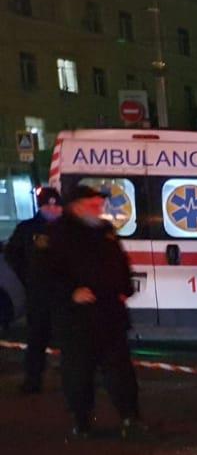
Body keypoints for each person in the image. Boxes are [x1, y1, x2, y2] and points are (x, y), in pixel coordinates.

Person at [47, 184, 145, 440]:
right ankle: (81, 421)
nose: (99, 207)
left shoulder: (105, 231)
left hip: (110, 313)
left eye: (99, 204)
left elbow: (121, 263)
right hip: (78, 318)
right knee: (79, 372)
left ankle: (129, 417)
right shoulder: (59, 233)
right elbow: (45, 275)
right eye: (93, 203)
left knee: (121, 371)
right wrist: (71, 292)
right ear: (77, 206)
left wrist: (125, 288)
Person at [4, 186, 62, 392]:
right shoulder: (28, 229)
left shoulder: (67, 228)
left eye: (57, 206)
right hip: (39, 294)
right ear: (42, 206)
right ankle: (33, 379)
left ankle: (74, 379)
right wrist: (28, 277)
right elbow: (13, 255)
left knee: (70, 338)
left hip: (64, 294)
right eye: (49, 206)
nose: (54, 210)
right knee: (37, 338)